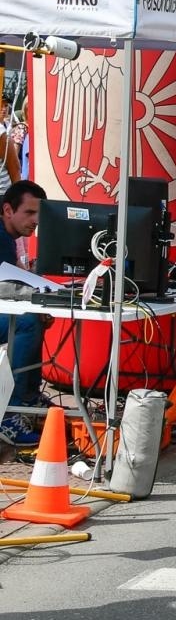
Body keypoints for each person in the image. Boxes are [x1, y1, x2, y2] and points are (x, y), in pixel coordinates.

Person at [0, 180, 47, 446]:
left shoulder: (8, 236)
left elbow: (14, 276)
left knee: (34, 319)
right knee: (28, 322)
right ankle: (10, 412)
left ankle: (28, 397)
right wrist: (41, 295)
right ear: (8, 210)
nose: (36, 220)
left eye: (39, 214)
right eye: (29, 213)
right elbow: (3, 283)